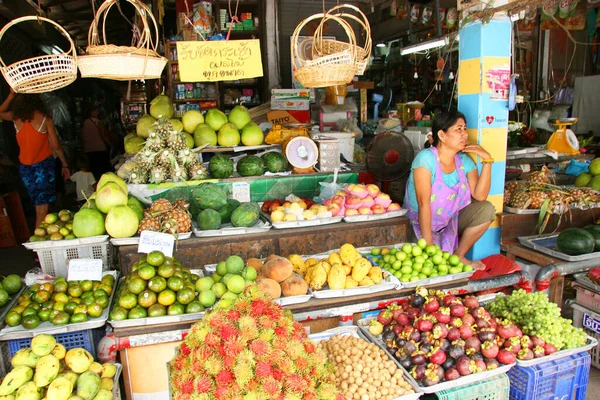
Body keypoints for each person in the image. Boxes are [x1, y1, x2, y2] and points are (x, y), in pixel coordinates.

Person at [404, 111, 495, 269]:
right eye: (458, 129)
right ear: (442, 135)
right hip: (417, 224)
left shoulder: (464, 162)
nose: (464, 134)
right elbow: (423, 203)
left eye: (465, 129)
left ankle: (459, 255)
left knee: (486, 209)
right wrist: (428, 248)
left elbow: (480, 196)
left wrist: (487, 160)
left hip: (448, 223)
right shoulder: (426, 159)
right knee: (418, 265)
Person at [0, 90, 70, 228]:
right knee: (42, 209)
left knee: (40, 205)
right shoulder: (45, 118)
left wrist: (11, 95)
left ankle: (44, 236)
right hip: (43, 168)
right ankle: (38, 242)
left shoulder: (16, 118)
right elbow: (56, 146)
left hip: (26, 169)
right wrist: (65, 164)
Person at [81, 106, 112, 180]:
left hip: (88, 150)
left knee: (93, 170)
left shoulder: (84, 123)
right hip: (100, 149)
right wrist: (110, 144)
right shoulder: (98, 122)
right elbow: (103, 135)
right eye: (96, 111)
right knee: (102, 171)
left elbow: (82, 137)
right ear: (92, 112)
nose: (98, 113)